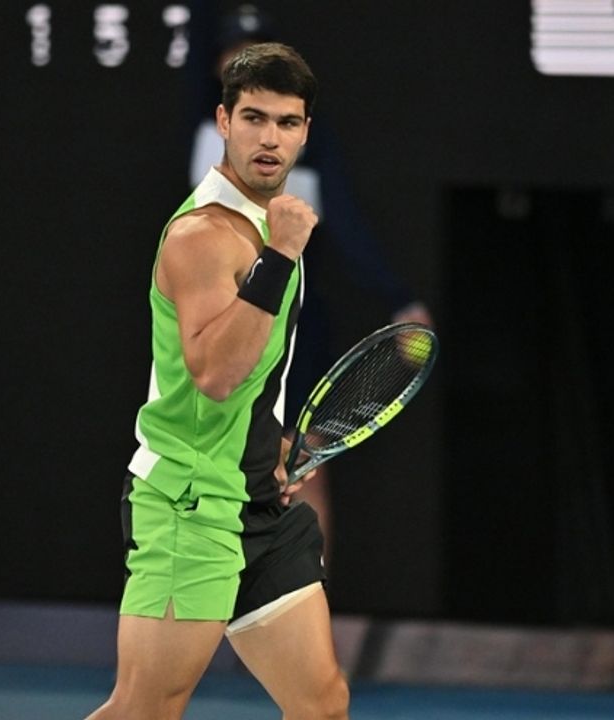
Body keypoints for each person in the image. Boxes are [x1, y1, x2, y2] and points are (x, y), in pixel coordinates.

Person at [86, 43, 350, 720]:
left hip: (257, 503)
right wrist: (282, 253)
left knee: (322, 704)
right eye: (254, 118)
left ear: (305, 132)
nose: (270, 139)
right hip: (190, 502)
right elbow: (215, 376)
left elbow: (255, 377)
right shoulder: (202, 236)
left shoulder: (266, 222)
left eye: (287, 122)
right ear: (224, 121)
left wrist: (267, 444)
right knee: (143, 711)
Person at [186, 4, 433, 566]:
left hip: (293, 333)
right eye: (234, 57)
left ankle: (306, 597)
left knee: (300, 468)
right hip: (217, 332)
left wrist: (399, 298)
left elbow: (345, 224)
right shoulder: (203, 139)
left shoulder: (305, 147)